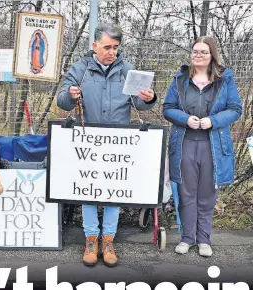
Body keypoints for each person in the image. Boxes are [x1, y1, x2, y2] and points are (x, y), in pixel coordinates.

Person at [57, 23, 156, 267]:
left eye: (115, 47)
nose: (112, 52)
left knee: (114, 189)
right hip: (88, 143)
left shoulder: (126, 70)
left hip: (118, 143)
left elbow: (140, 104)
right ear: (94, 46)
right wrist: (70, 95)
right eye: (107, 47)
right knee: (88, 189)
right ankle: (91, 239)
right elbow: (62, 101)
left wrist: (149, 98)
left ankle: (108, 239)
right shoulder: (80, 69)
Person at [163, 36, 242, 257]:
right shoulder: (179, 79)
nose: (198, 55)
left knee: (207, 194)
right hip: (186, 143)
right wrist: (185, 119)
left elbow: (236, 108)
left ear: (212, 56)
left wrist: (213, 121)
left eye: (204, 52)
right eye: (195, 51)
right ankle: (187, 238)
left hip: (213, 145)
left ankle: (204, 239)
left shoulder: (224, 79)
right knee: (186, 192)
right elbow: (167, 107)